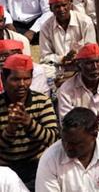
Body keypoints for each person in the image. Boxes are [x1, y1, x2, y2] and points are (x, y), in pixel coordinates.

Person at [35, 107, 99, 191]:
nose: (68, 147)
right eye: (64, 141)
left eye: (75, 143)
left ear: (94, 134)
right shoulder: (49, 159)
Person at [0, 53, 59, 188]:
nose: (22, 84)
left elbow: (53, 138)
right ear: (3, 79)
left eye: (26, 79)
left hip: (37, 167)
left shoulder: (42, 101)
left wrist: (29, 123)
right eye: (15, 79)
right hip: (5, 170)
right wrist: (10, 130)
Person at [38, 0, 96, 67]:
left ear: (70, 4)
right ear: (51, 9)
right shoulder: (46, 27)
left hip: (82, 65)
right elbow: (45, 57)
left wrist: (77, 57)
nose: (61, 9)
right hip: (58, 67)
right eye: (57, 7)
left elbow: (91, 49)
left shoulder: (85, 21)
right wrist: (62, 59)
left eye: (64, 5)